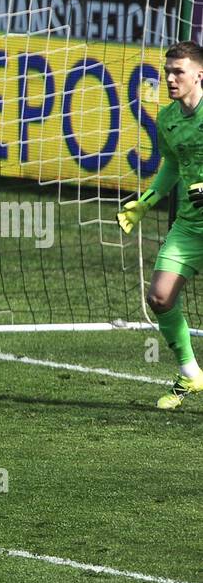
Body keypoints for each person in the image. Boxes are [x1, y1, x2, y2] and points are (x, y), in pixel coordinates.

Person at [118, 41, 203, 409]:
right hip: (190, 225)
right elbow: (170, 165)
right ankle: (190, 373)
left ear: (199, 74)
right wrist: (146, 202)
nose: (170, 78)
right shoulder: (168, 118)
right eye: (167, 71)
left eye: (178, 71)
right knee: (160, 296)